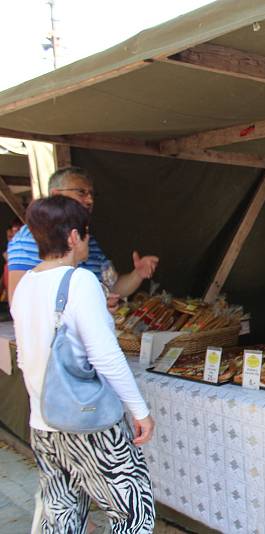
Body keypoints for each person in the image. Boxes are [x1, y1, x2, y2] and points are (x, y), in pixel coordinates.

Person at [11, 196, 155, 532]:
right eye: (87, 234)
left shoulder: (25, 285)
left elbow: (24, 358)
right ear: (73, 237)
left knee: (61, 516)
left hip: (44, 426)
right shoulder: (79, 281)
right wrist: (140, 411)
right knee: (133, 515)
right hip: (90, 426)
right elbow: (106, 356)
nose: (88, 241)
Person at [6, 166, 159, 305]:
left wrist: (137, 274)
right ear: (55, 195)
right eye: (81, 192)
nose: (90, 200)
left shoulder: (89, 241)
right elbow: (19, 302)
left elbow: (113, 286)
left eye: (92, 194)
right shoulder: (30, 237)